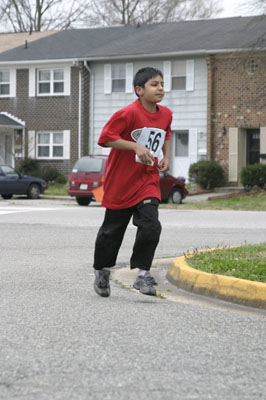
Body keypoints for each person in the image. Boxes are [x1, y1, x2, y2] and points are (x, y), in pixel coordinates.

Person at [93, 66, 172, 297]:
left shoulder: (166, 113)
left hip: (147, 180)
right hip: (121, 181)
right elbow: (106, 138)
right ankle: (102, 271)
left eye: (162, 84)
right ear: (139, 90)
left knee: (151, 225)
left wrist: (166, 156)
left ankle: (142, 274)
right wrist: (135, 145)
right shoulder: (127, 114)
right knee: (112, 232)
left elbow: (166, 133)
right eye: (154, 84)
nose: (160, 88)